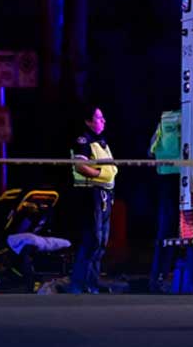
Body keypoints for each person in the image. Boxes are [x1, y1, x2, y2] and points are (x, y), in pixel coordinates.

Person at [68, 104, 118, 294]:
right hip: (91, 194)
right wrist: (100, 174)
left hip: (105, 195)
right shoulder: (84, 140)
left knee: (102, 241)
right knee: (92, 240)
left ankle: (92, 283)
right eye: (99, 118)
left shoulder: (101, 141)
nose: (103, 120)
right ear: (88, 122)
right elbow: (80, 166)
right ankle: (79, 284)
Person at [148, 110, 181, 292]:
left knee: (165, 231)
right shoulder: (189, 115)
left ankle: (158, 277)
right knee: (191, 232)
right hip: (184, 176)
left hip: (165, 177)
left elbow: (151, 149)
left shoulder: (165, 118)